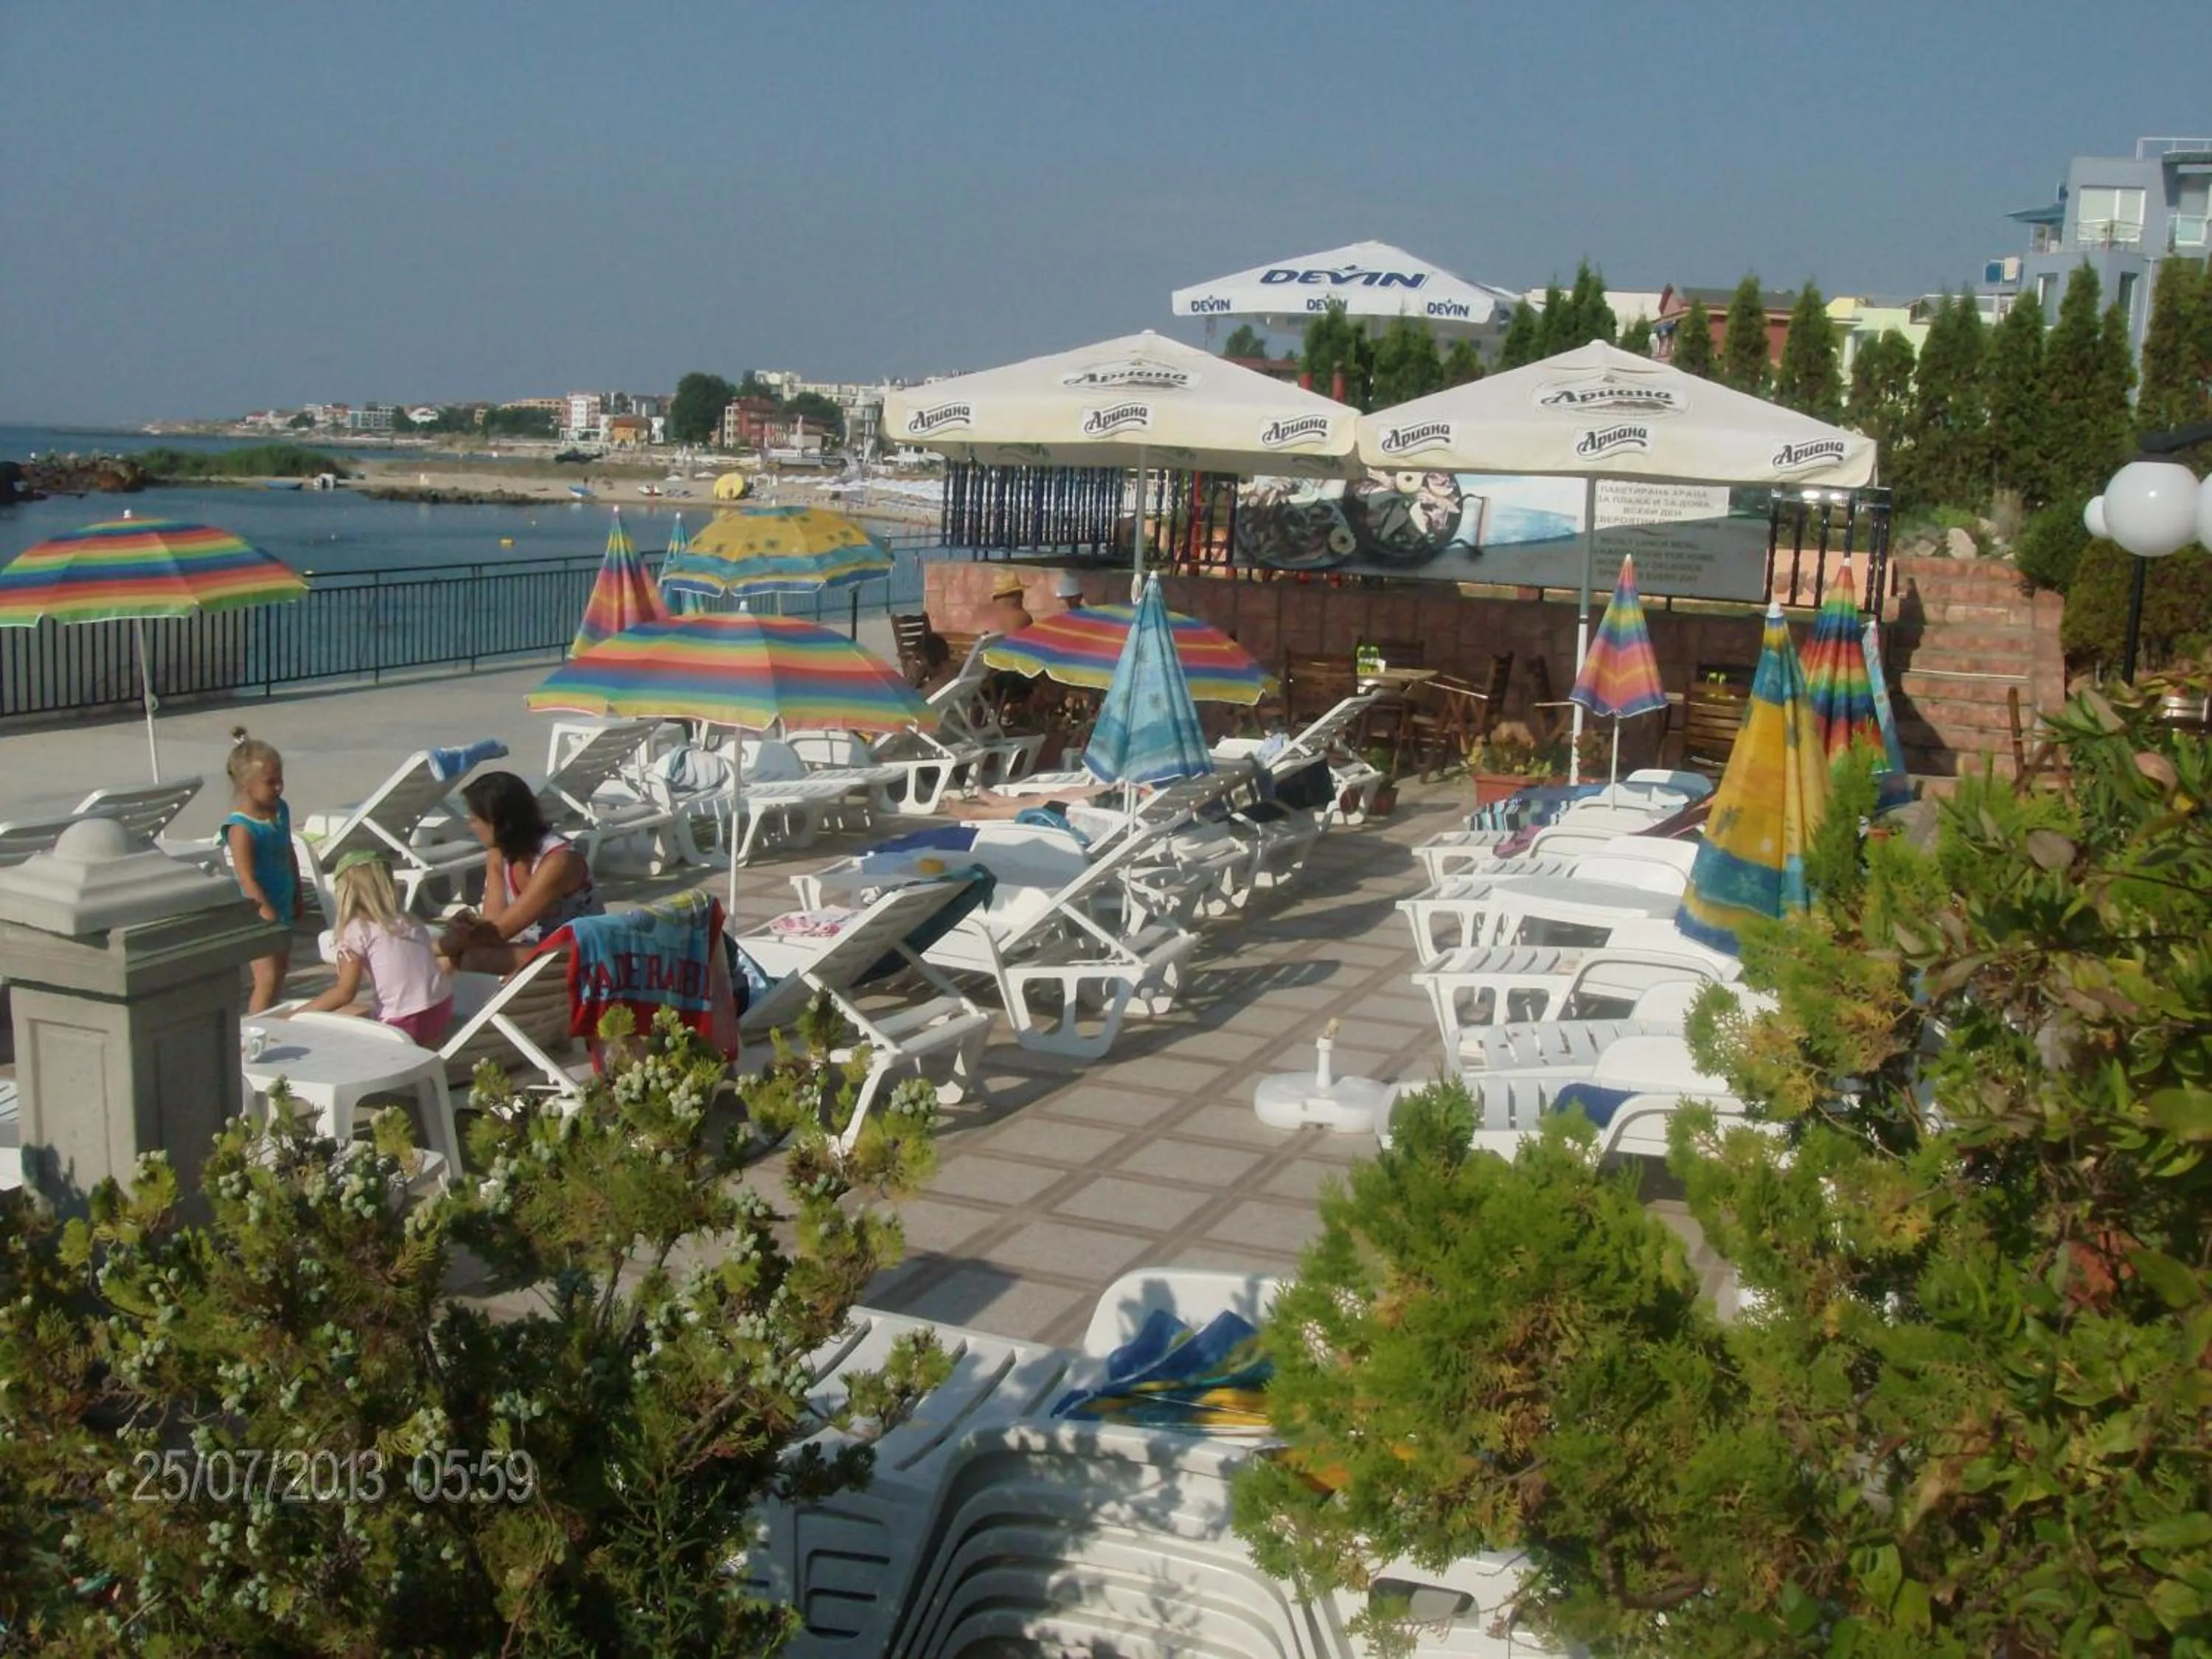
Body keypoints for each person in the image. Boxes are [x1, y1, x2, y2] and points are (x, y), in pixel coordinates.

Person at [439, 771, 602, 976]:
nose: (470, 827)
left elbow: (499, 933)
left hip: (584, 955)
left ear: (496, 821)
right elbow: (492, 924)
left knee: (469, 957)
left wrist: (441, 945)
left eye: (474, 819)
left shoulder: (559, 862)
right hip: (544, 948)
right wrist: (467, 929)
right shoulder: (498, 854)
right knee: (460, 954)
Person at [296, 850, 455, 1045]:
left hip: (401, 1025)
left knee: (329, 1016)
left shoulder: (357, 930)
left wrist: (294, 1016)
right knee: (359, 1011)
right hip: (439, 1012)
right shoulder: (410, 921)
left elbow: (344, 993)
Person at [223, 727, 300, 1014]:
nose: (278, 788)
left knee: (281, 974)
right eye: (271, 782)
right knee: (266, 979)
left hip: (283, 902)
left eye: (280, 780)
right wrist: (265, 911)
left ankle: (274, 1023)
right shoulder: (241, 828)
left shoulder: (280, 810)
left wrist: (298, 894)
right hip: (258, 913)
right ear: (246, 786)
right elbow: (246, 876)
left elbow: (289, 849)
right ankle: (257, 1027)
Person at [983, 569, 1034, 638]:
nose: (1022, 596)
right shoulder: (1024, 617)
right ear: (1016, 595)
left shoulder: (991, 619)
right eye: (1020, 593)